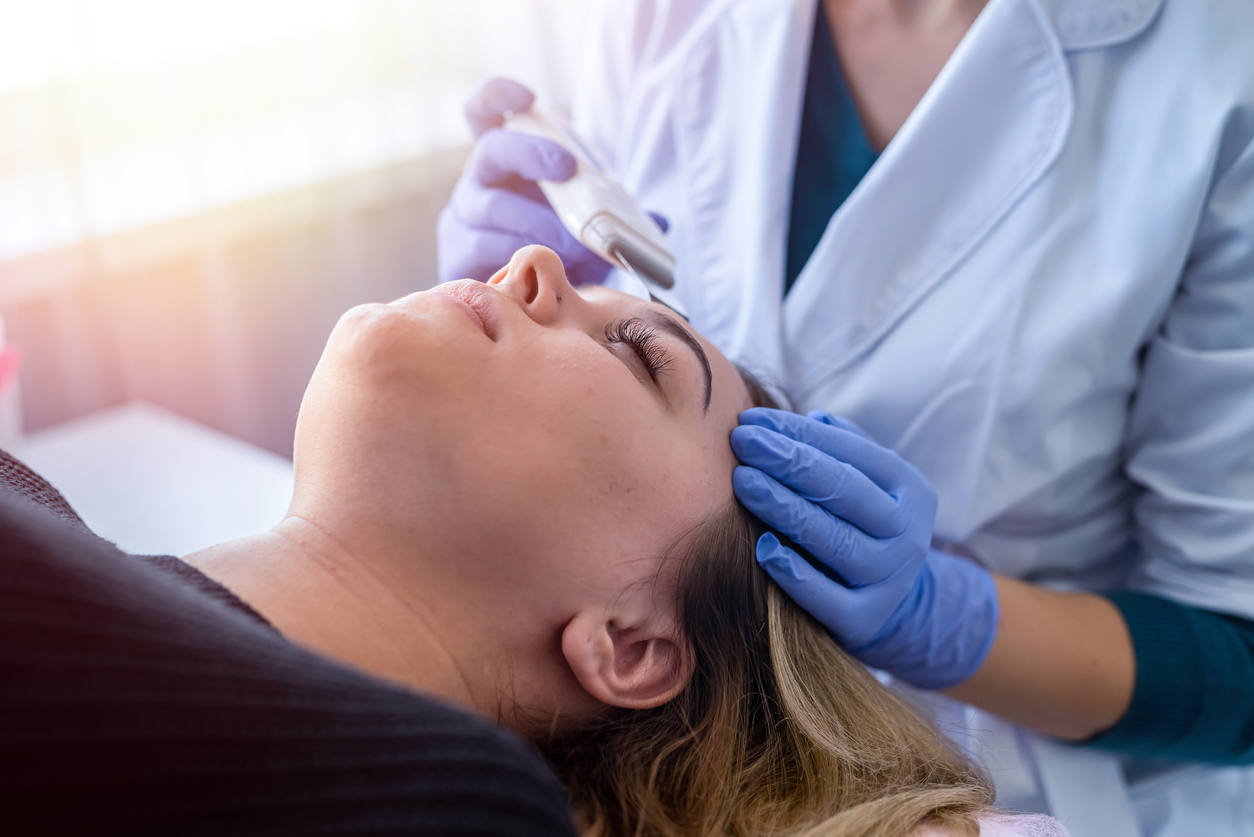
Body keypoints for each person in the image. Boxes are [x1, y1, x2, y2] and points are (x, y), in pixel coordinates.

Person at [435, 1, 1254, 834]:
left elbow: (1241, 662)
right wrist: (500, 330)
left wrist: (946, 616)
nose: (530, 272)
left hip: (1017, 787)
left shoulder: (1219, 73)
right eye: (642, 356)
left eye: (644, 354)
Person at [0, 245, 1069, 836]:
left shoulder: (447, 804)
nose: (533, 265)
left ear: (634, 642)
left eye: (639, 355)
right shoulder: (35, 508)